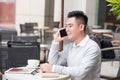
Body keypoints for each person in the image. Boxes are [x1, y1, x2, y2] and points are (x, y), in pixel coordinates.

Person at [40, 10, 101, 80]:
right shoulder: (69, 46)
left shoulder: (92, 48)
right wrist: (56, 41)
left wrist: (54, 68)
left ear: (81, 27)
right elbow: (53, 64)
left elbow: (81, 72)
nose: (67, 30)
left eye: (70, 26)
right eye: (66, 26)